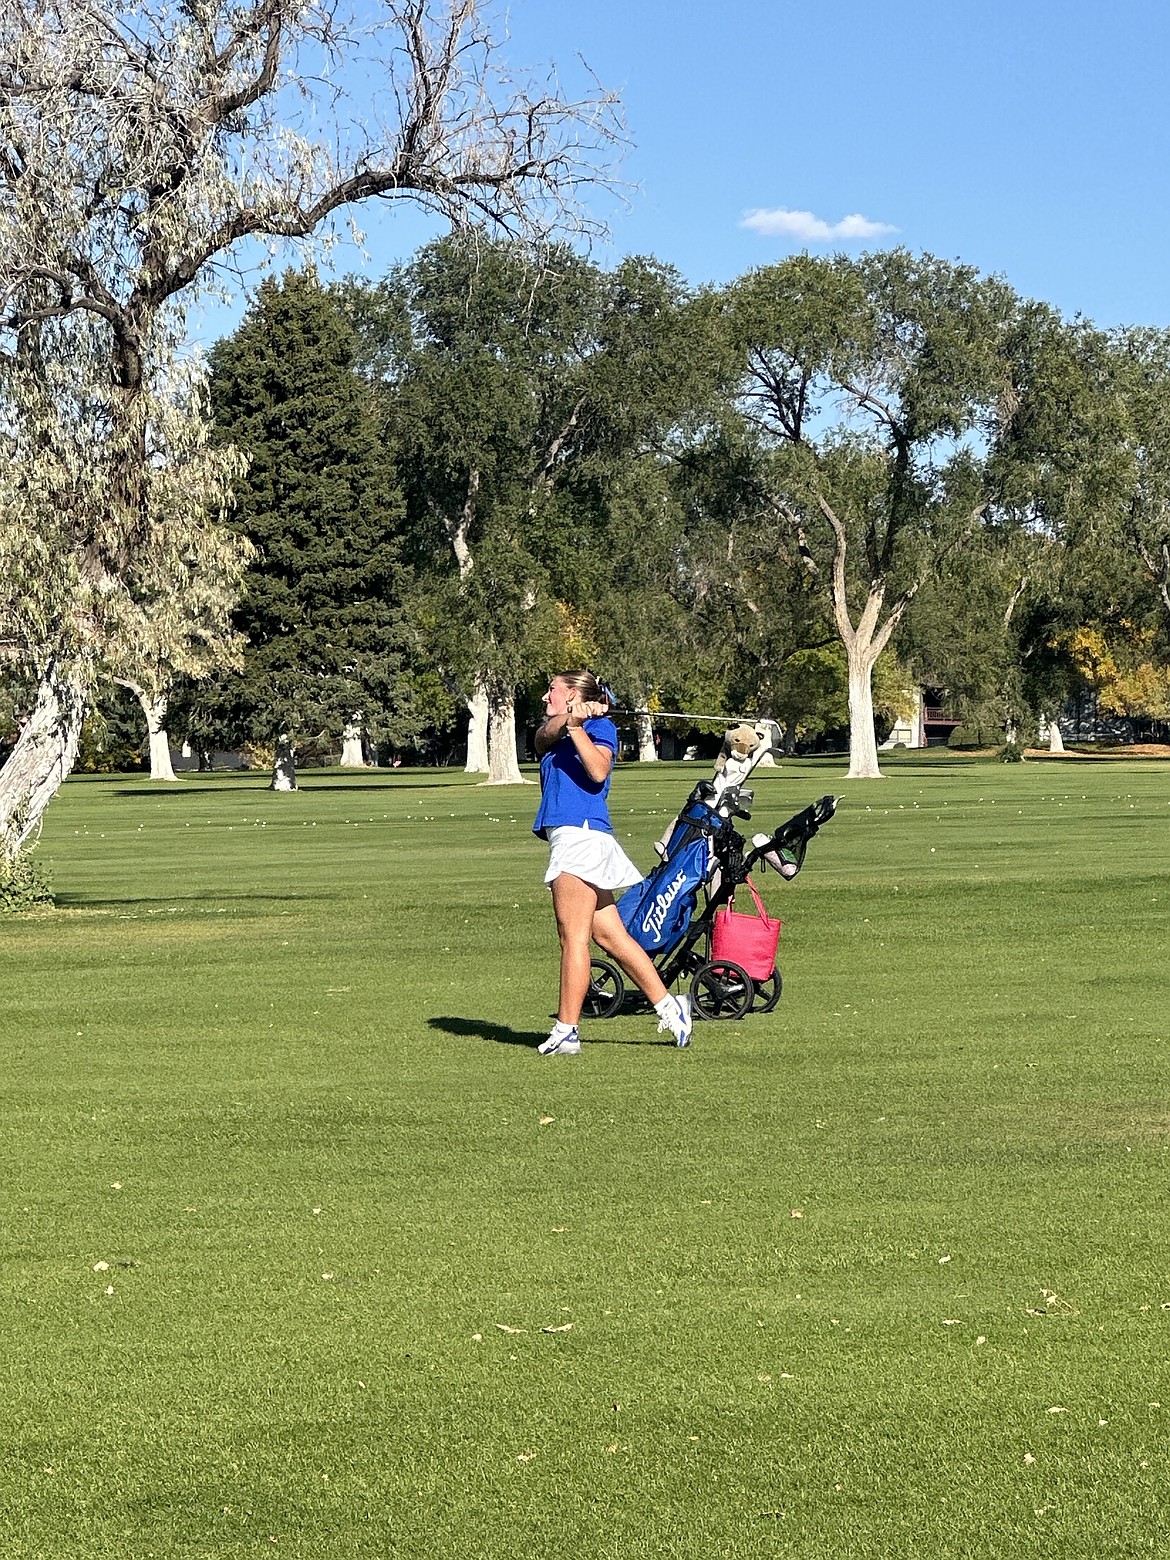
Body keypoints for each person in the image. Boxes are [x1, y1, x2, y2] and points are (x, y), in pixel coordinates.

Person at [532, 671, 692, 1056]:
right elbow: (540, 739)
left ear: (571, 693)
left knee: (573, 938)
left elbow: (598, 770)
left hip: (581, 836)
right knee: (610, 937)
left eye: (552, 689)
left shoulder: (602, 727)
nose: (544, 696)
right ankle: (671, 1008)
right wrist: (570, 720)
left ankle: (567, 1030)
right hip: (572, 835)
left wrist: (580, 727)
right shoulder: (554, 727)